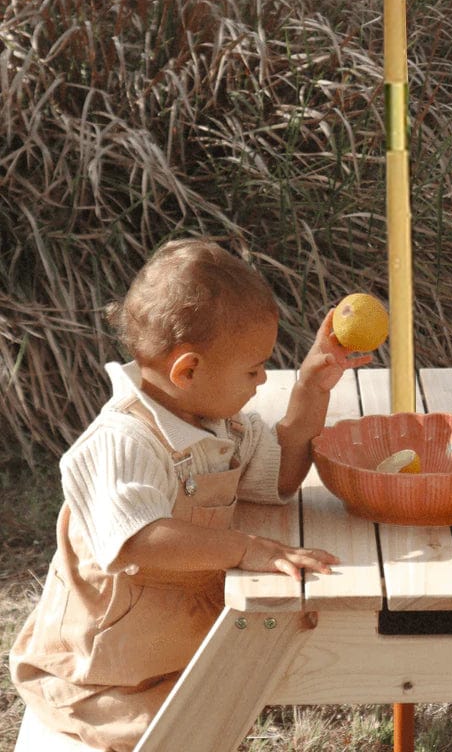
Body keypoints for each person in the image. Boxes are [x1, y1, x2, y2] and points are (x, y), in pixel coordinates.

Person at [10, 238, 372, 752]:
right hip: (99, 673)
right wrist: (249, 548)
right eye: (252, 369)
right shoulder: (124, 441)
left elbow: (282, 479)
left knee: (197, 723)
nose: (263, 378)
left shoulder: (217, 425)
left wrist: (313, 388)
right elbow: (137, 538)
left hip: (168, 660)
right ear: (188, 371)